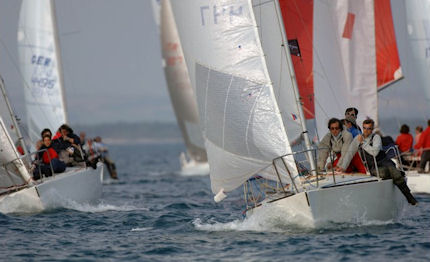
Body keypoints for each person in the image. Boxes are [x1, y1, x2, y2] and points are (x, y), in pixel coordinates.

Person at [337, 119, 417, 205]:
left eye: (369, 128)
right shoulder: (357, 139)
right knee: (387, 172)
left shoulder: (376, 137)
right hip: (373, 166)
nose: (366, 131)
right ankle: (397, 177)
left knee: (394, 172)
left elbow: (375, 153)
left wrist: (363, 143)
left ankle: (409, 197)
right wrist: (343, 167)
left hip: (384, 161)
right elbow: (350, 153)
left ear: (372, 129)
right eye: (364, 128)